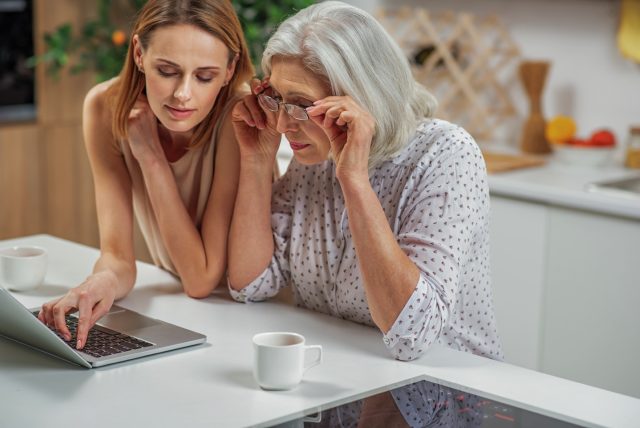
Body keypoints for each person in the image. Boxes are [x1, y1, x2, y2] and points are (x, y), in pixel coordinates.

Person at [228, 1, 503, 361]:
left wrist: (354, 179)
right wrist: (255, 158)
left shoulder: (446, 154)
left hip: (446, 387)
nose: (281, 125)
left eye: (300, 104)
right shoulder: (313, 156)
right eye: (276, 99)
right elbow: (250, 284)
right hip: (348, 376)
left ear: (360, 98)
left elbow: (413, 335)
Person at [38, 0, 254, 350]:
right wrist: (99, 284)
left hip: (254, 317)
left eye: (205, 77)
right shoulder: (104, 108)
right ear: (138, 53)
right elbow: (118, 256)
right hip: (189, 314)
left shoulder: (238, 117)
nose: (183, 94)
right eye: (167, 71)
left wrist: (150, 156)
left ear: (230, 70)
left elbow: (201, 279)